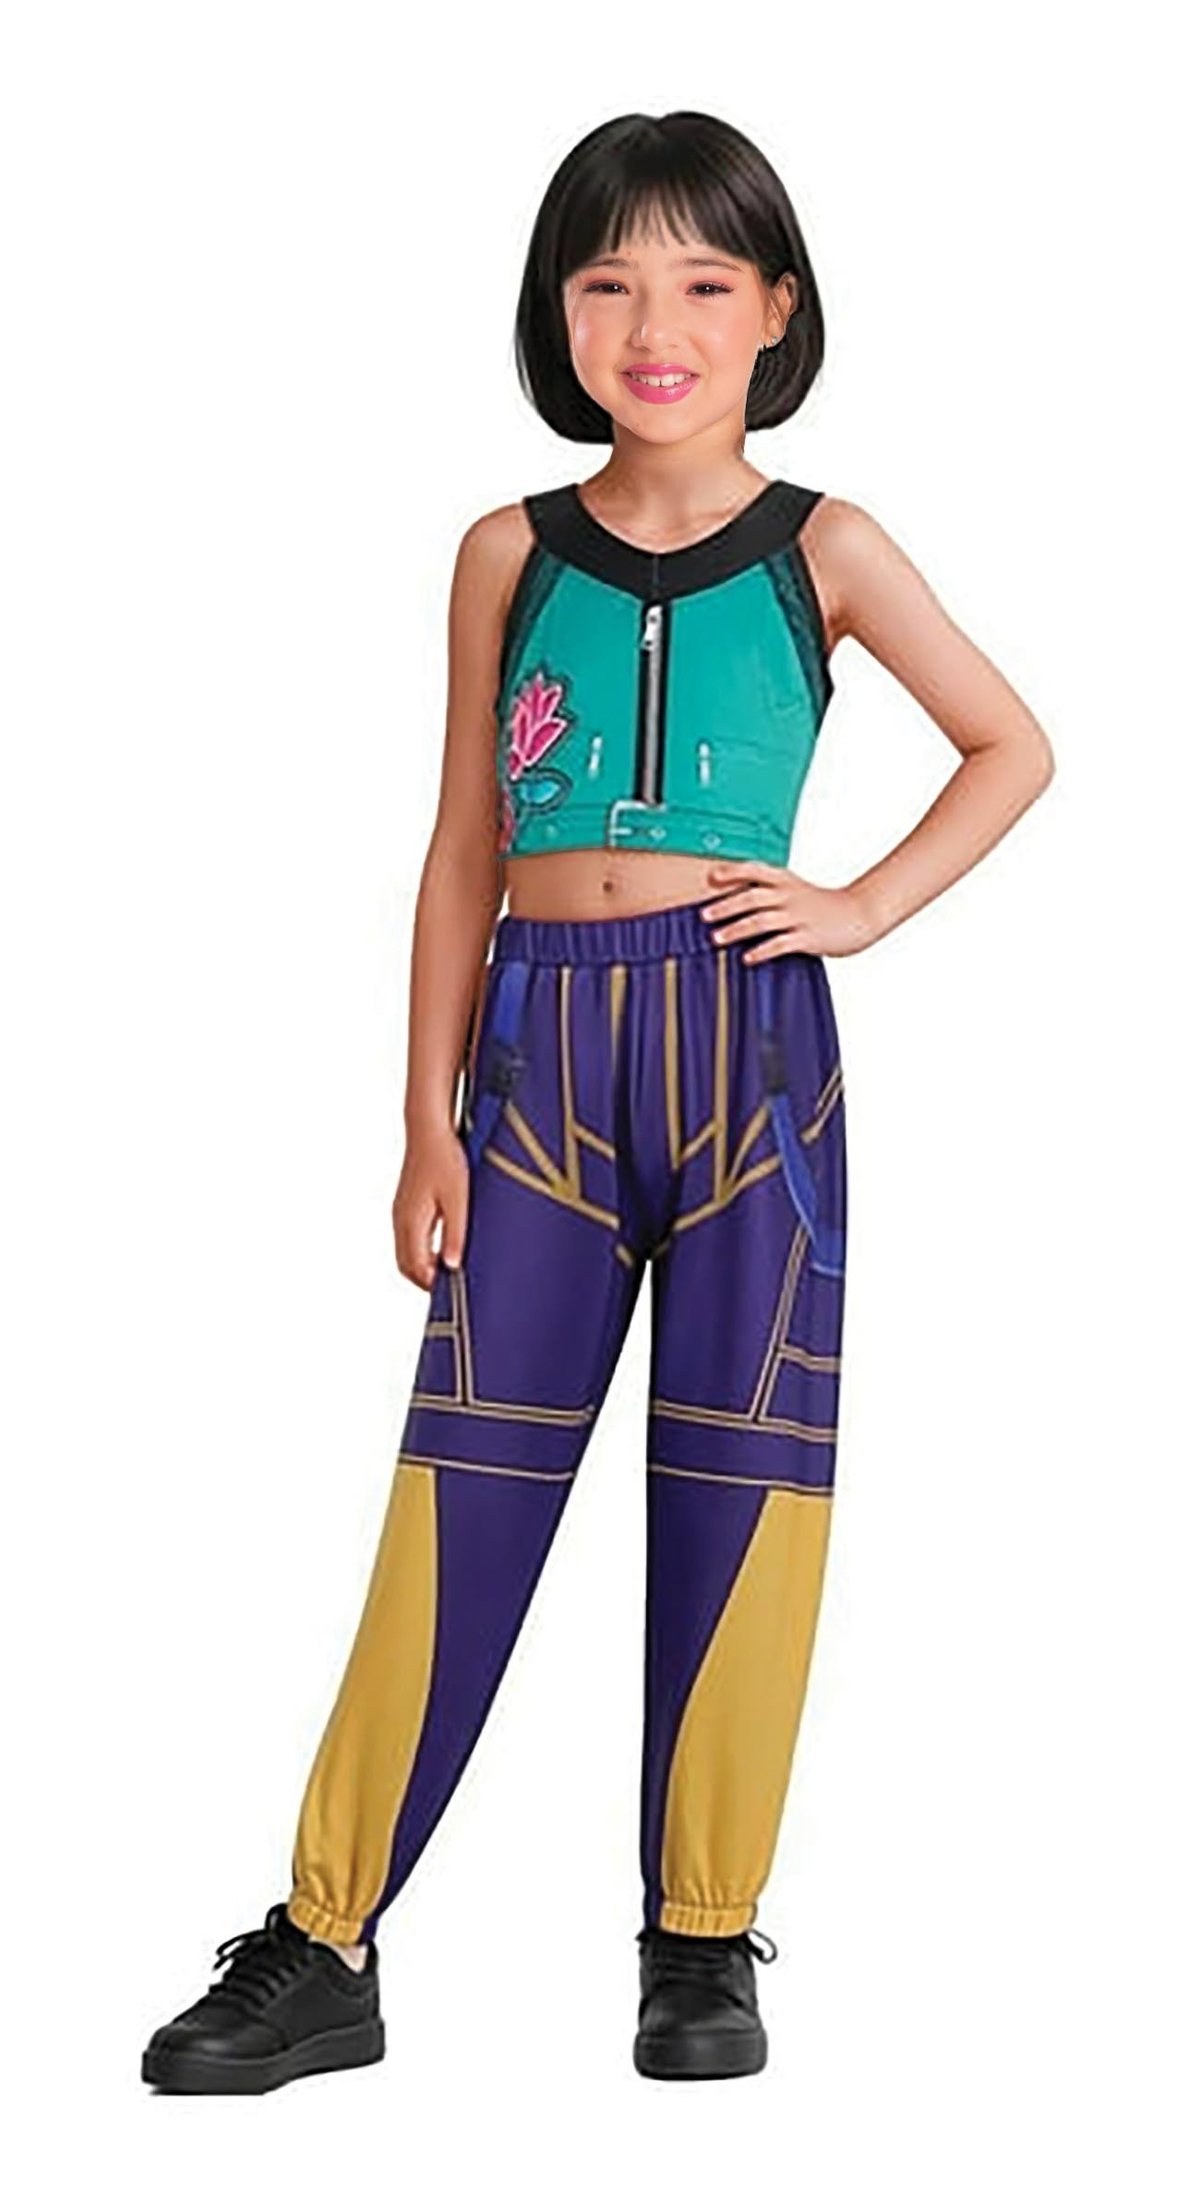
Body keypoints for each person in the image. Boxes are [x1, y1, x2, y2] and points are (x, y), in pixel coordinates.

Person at [141, 108, 1054, 2094]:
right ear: (558, 315)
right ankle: (324, 1938)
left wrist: (858, 906)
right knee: (458, 1491)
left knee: (746, 1485)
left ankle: (701, 1941)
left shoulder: (828, 549)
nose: (658, 324)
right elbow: (462, 847)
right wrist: (423, 1118)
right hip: (538, 1069)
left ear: (776, 313)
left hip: (751, 1067)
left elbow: (1012, 743)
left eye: (705, 283)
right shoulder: (506, 551)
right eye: (611, 281)